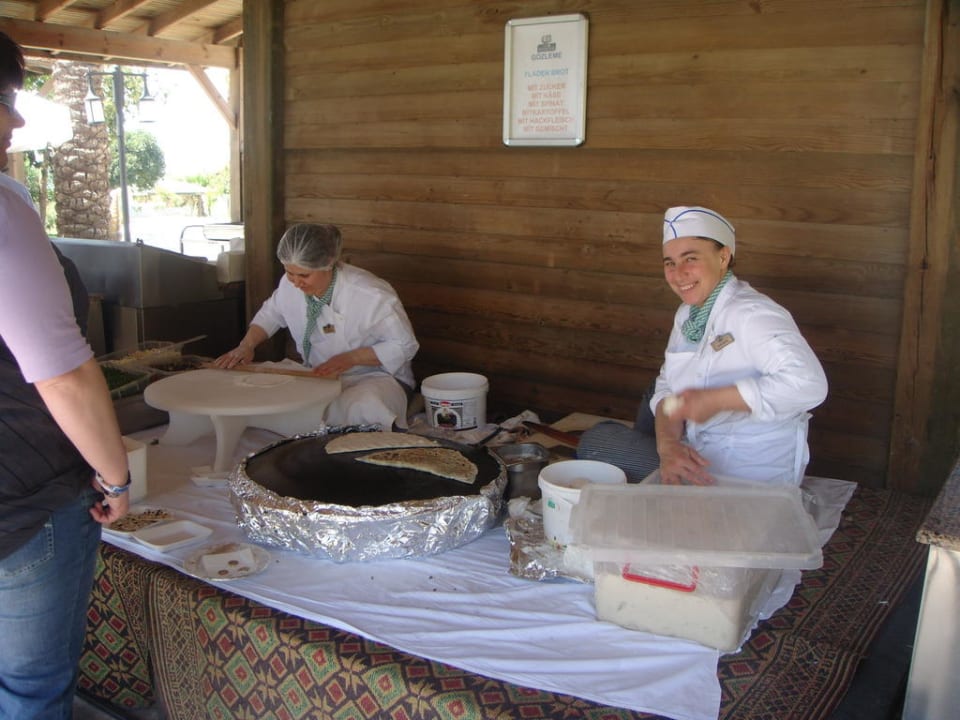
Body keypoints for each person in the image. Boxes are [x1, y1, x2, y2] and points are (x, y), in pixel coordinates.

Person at [0, 30, 131, 717]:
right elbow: (65, 377)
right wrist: (114, 477)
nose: (16, 121)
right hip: (21, 501)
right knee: (29, 689)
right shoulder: (1, 207)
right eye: (6, 100)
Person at [651, 206, 828, 486]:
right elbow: (667, 390)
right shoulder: (688, 315)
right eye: (669, 263)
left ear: (723, 257)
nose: (678, 273)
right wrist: (667, 445)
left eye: (690, 259)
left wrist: (717, 400)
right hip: (694, 459)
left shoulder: (752, 314)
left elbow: (809, 384)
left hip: (754, 472)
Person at [215, 223, 419, 430]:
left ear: (328, 265)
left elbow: (404, 345)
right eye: (289, 273)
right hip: (318, 376)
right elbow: (271, 314)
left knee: (361, 408)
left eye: (304, 275)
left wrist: (351, 358)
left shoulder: (371, 294)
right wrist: (247, 345)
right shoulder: (290, 284)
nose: (296, 282)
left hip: (375, 378)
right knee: (274, 400)